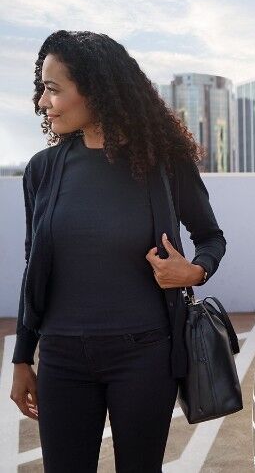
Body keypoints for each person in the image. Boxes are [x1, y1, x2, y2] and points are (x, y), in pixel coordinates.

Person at [9, 30, 226, 472]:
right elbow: (34, 269)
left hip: (145, 357)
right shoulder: (42, 170)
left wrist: (195, 272)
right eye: (42, 89)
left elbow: (210, 237)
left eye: (53, 89)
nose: (43, 102)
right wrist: (21, 358)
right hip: (61, 358)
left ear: (95, 89)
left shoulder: (165, 164)